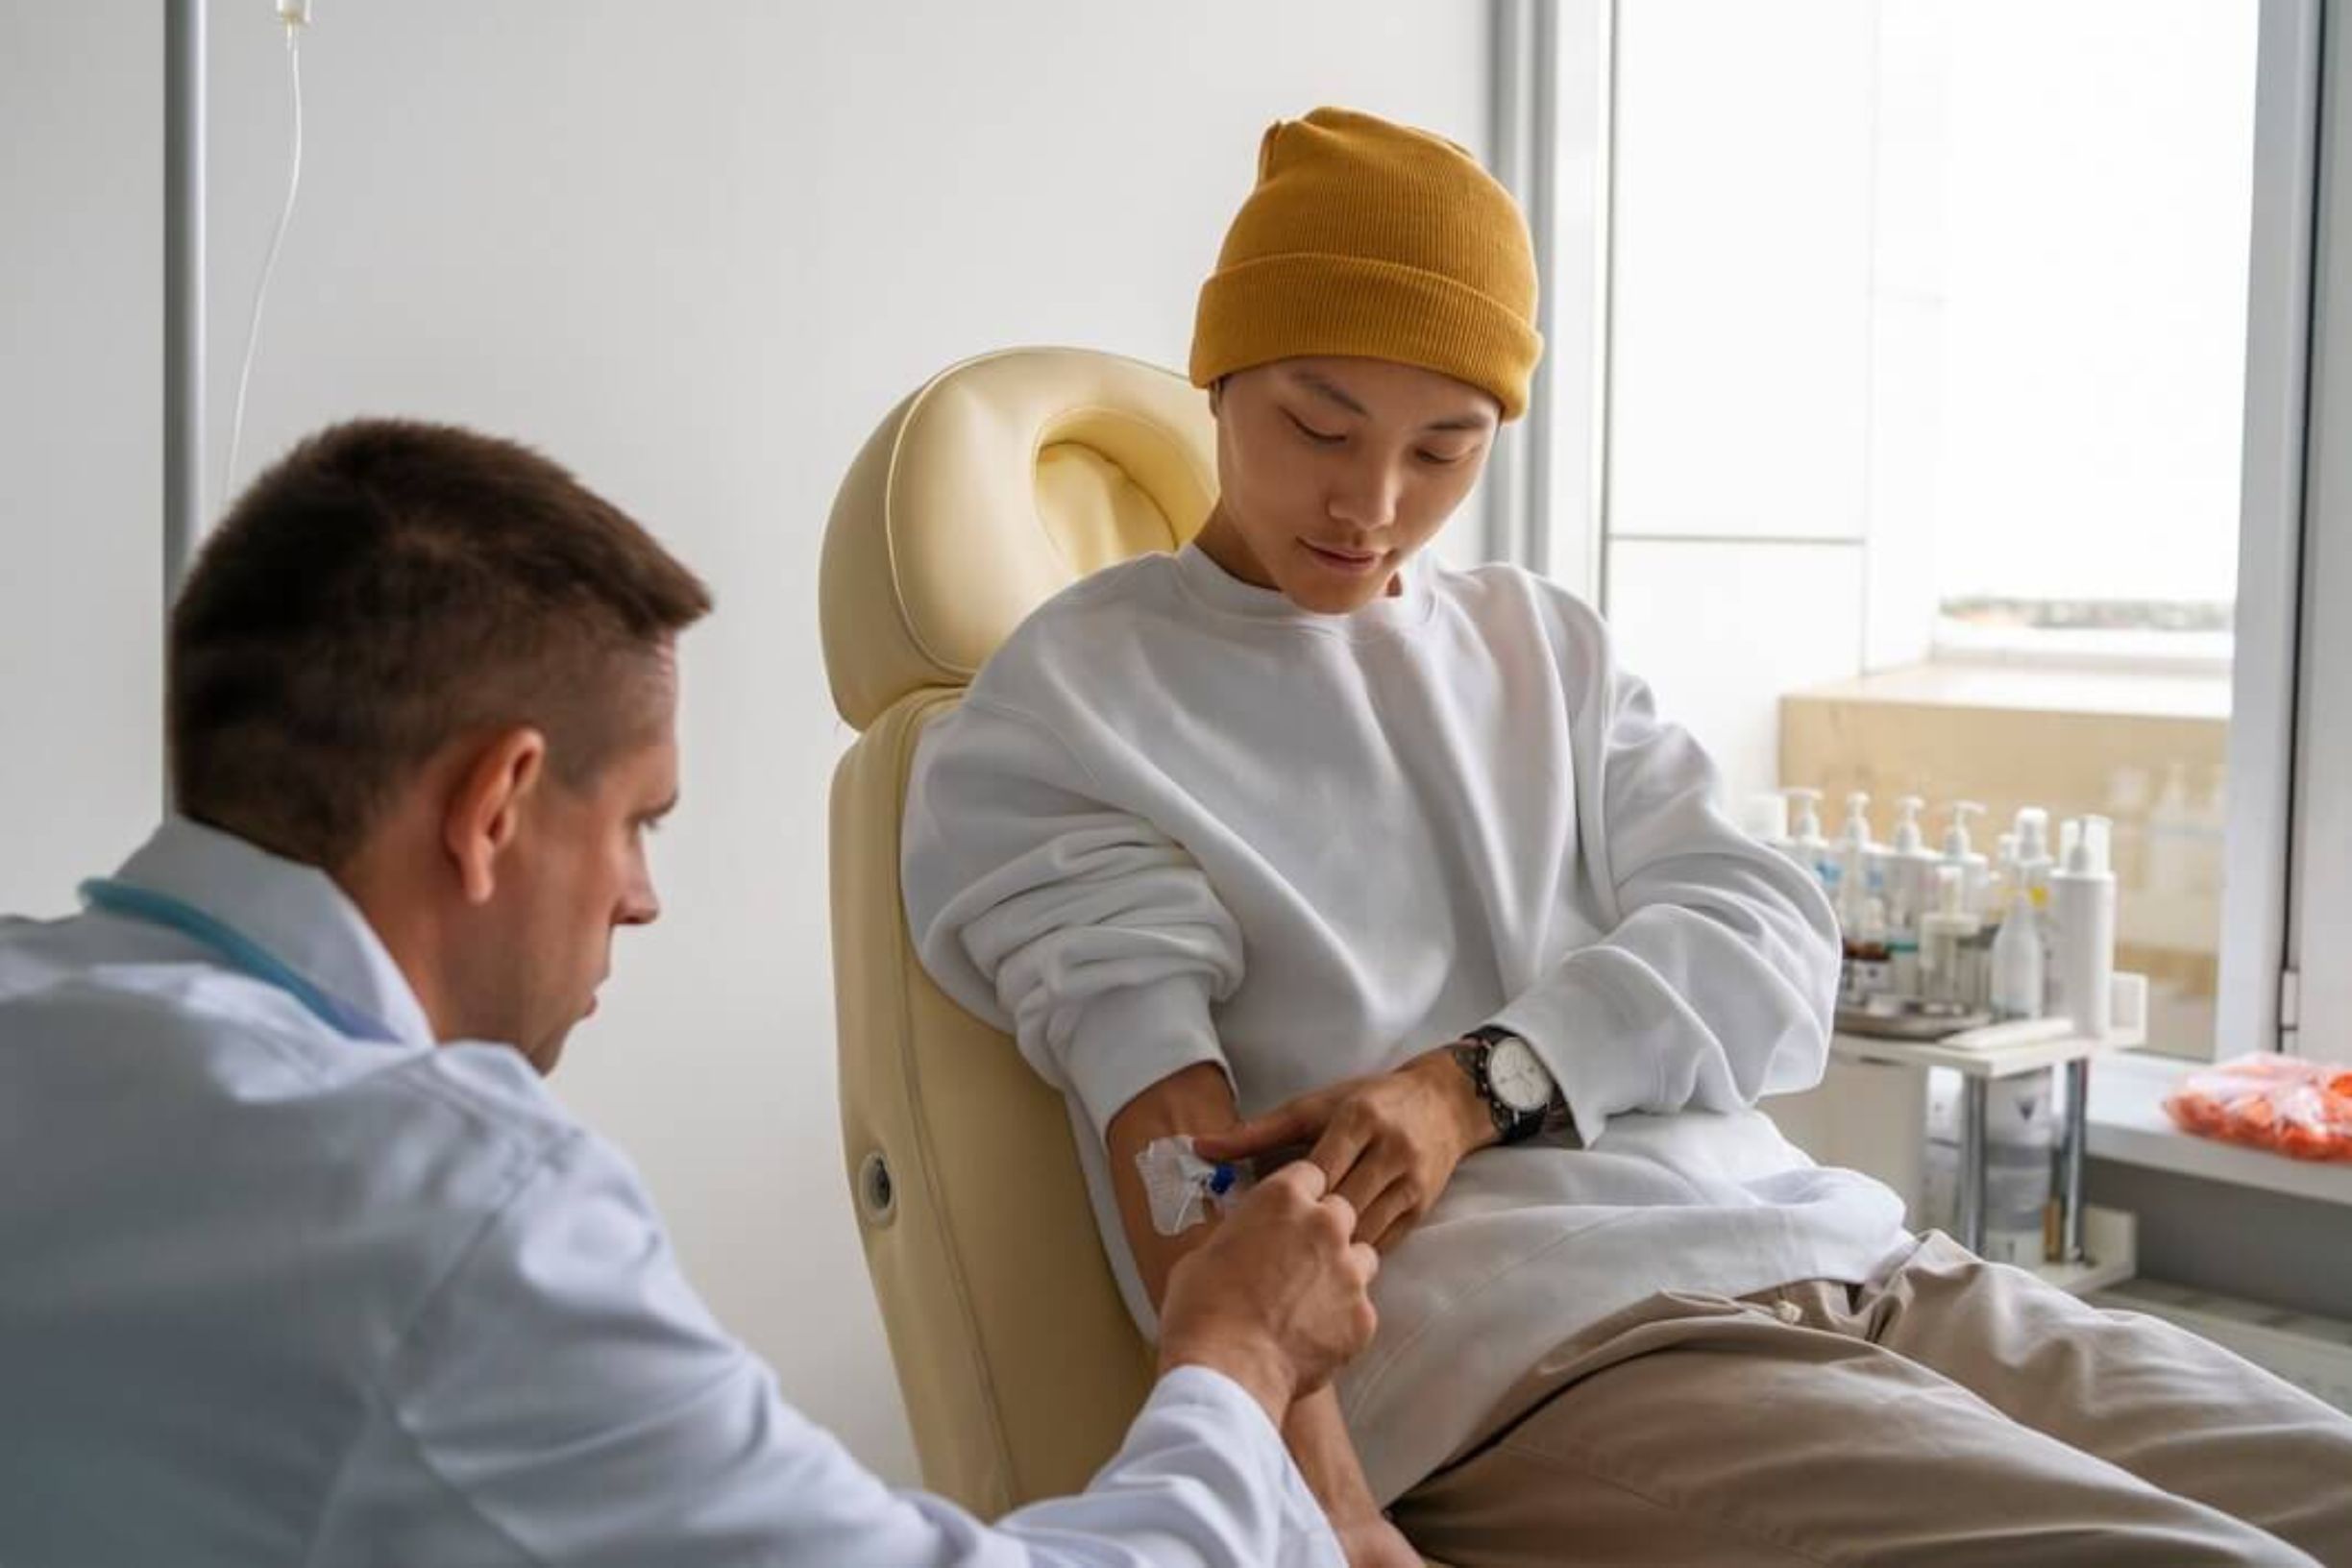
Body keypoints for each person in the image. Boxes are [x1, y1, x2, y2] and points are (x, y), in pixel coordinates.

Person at [901, 107, 2352, 1567]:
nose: (1373, 503)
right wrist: (1336, 1518)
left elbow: (1772, 940)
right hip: (1540, 1357)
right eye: (1318, 424)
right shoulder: (1072, 710)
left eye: (1444, 448)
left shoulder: (1542, 646)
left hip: (1839, 1252)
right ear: (1219, 378)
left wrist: (1474, 1086)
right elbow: (1181, 1173)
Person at [0, 419, 1383, 1568]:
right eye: (638, 823)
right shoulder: (447, 1210)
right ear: (497, 805)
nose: (642, 898)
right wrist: (1239, 1357)